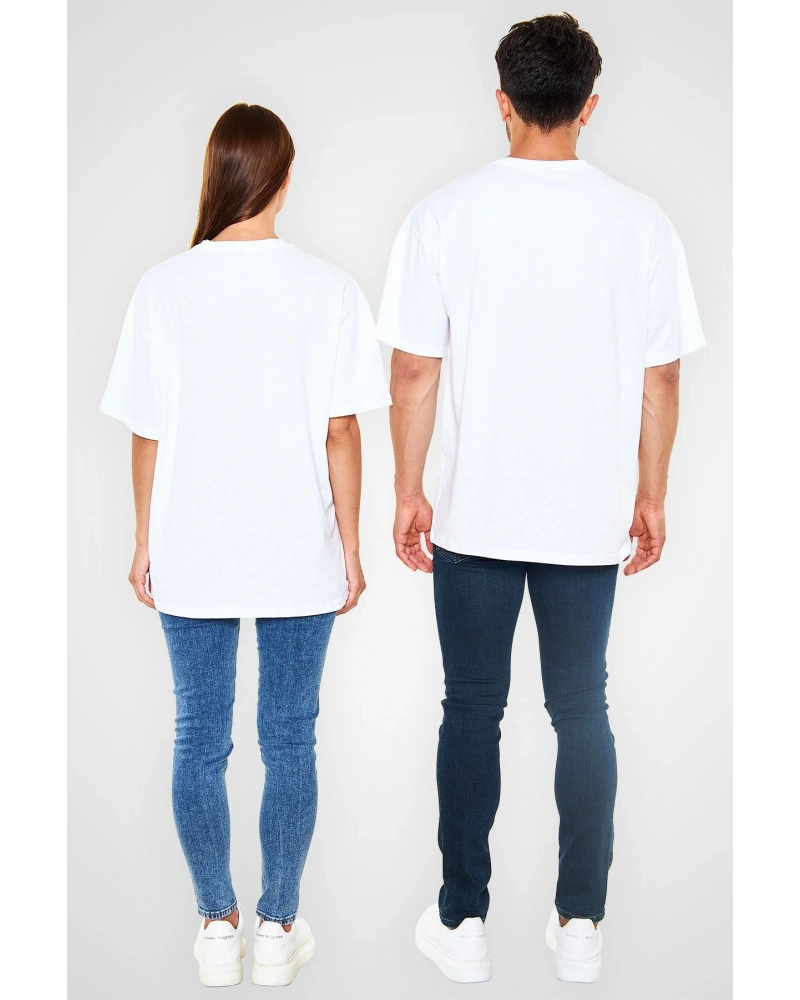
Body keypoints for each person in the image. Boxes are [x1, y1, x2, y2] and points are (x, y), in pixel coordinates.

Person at [376, 13, 704, 986]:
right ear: (588, 106)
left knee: (470, 710)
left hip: (474, 513)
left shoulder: (443, 216)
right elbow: (659, 379)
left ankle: (463, 922)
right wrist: (650, 494)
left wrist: (407, 488)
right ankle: (581, 924)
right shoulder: (640, 223)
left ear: (502, 102)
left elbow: (412, 370)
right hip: (585, 516)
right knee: (581, 709)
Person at [101, 103, 390, 987]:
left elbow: (147, 431)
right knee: (289, 740)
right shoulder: (330, 291)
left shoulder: (163, 288)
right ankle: (277, 928)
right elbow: (342, 431)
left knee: (199, 738)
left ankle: (216, 924)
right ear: (286, 178)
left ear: (217, 173)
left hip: (193, 546)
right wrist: (350, 545)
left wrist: (144, 538)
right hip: (297, 547)